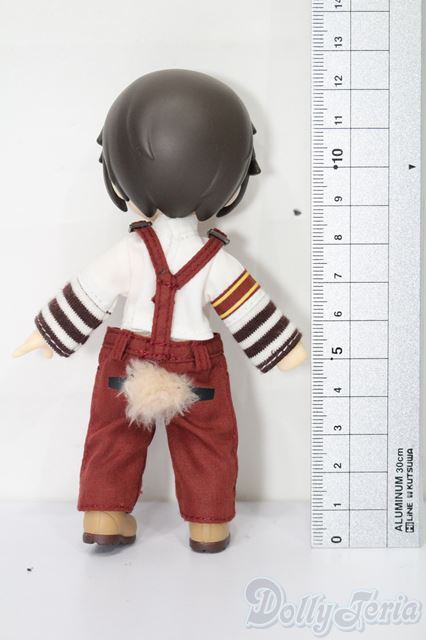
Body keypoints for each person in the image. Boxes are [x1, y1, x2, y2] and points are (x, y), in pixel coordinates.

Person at [13, 69, 307, 552]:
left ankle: (105, 515)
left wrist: (48, 335)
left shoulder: (129, 251)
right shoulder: (216, 259)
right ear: (231, 174)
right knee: (208, 443)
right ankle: (208, 525)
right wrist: (285, 349)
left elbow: (89, 293)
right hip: (197, 363)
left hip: (127, 359)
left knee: (113, 437)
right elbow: (247, 308)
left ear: (121, 170)